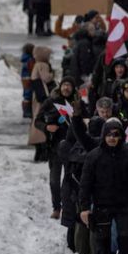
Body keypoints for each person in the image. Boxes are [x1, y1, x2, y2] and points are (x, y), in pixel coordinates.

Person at [79, 119, 128, 254]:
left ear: (121, 136)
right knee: (102, 246)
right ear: (103, 136)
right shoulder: (93, 156)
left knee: (125, 242)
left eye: (116, 134)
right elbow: (85, 184)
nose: (112, 138)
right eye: (108, 134)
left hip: (124, 207)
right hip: (102, 206)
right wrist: (84, 208)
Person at [36, 76, 78, 220]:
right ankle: (56, 207)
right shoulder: (51, 102)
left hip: (72, 148)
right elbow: (37, 121)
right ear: (60, 87)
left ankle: (67, 207)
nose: (66, 88)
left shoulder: (77, 103)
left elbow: (86, 120)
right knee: (54, 180)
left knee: (69, 180)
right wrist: (47, 127)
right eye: (64, 85)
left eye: (69, 85)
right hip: (54, 148)